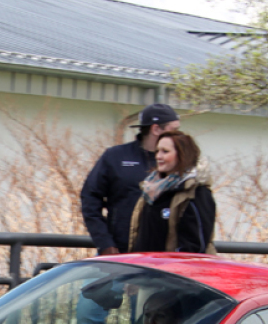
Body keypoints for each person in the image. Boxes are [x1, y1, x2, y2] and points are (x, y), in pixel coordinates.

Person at [80, 103, 181, 256]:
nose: (179, 135)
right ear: (155, 129)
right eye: (173, 130)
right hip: (122, 251)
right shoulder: (115, 156)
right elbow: (90, 198)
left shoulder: (178, 161)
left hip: (164, 255)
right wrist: (105, 243)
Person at [127, 130, 216, 254]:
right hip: (144, 267)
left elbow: (194, 245)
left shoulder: (197, 192)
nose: (158, 156)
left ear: (182, 154)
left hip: (175, 270)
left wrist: (171, 267)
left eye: (165, 151)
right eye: (157, 151)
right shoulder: (149, 189)